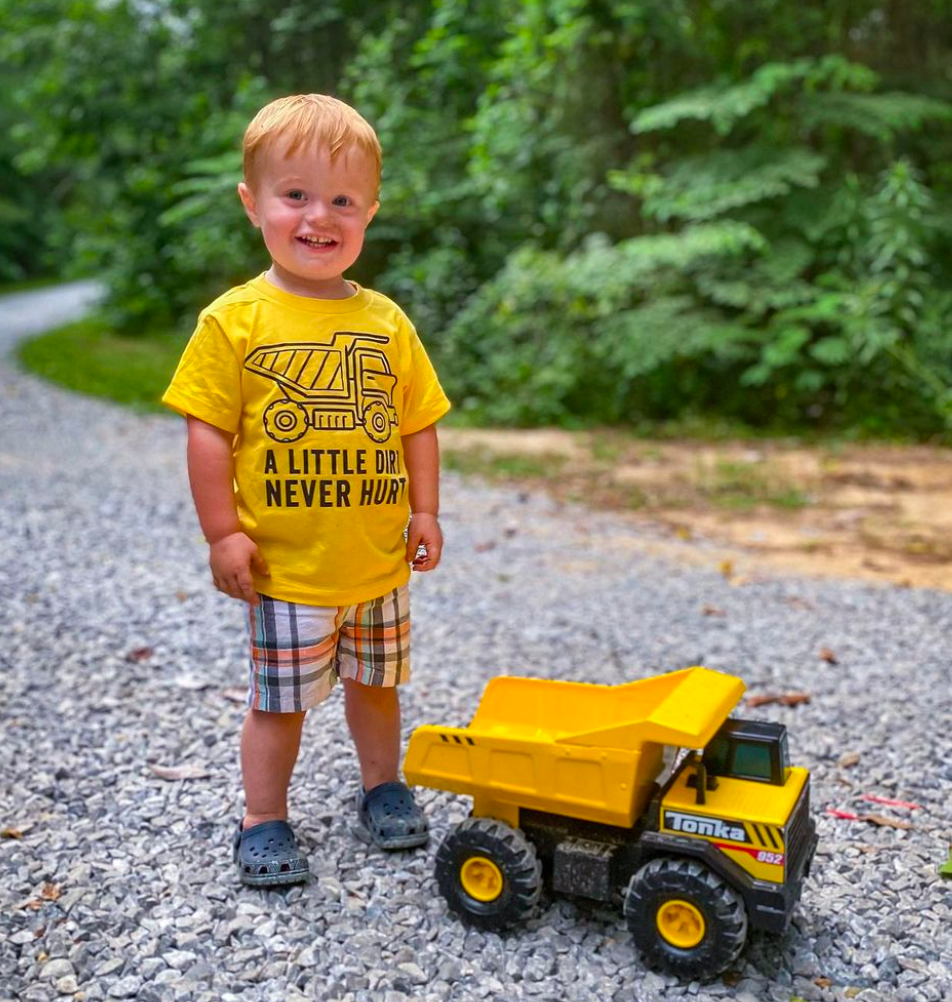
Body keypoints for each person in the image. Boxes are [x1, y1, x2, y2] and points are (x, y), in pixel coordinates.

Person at [162, 94, 450, 886]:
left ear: (370, 211)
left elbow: (417, 422)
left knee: (377, 686)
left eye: (343, 200)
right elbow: (207, 432)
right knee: (279, 703)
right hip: (289, 569)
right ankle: (262, 817)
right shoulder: (235, 321)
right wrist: (223, 531)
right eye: (296, 195)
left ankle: (382, 785)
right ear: (253, 202)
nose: (319, 217)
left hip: (378, 563)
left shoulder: (385, 322)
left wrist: (425, 508)